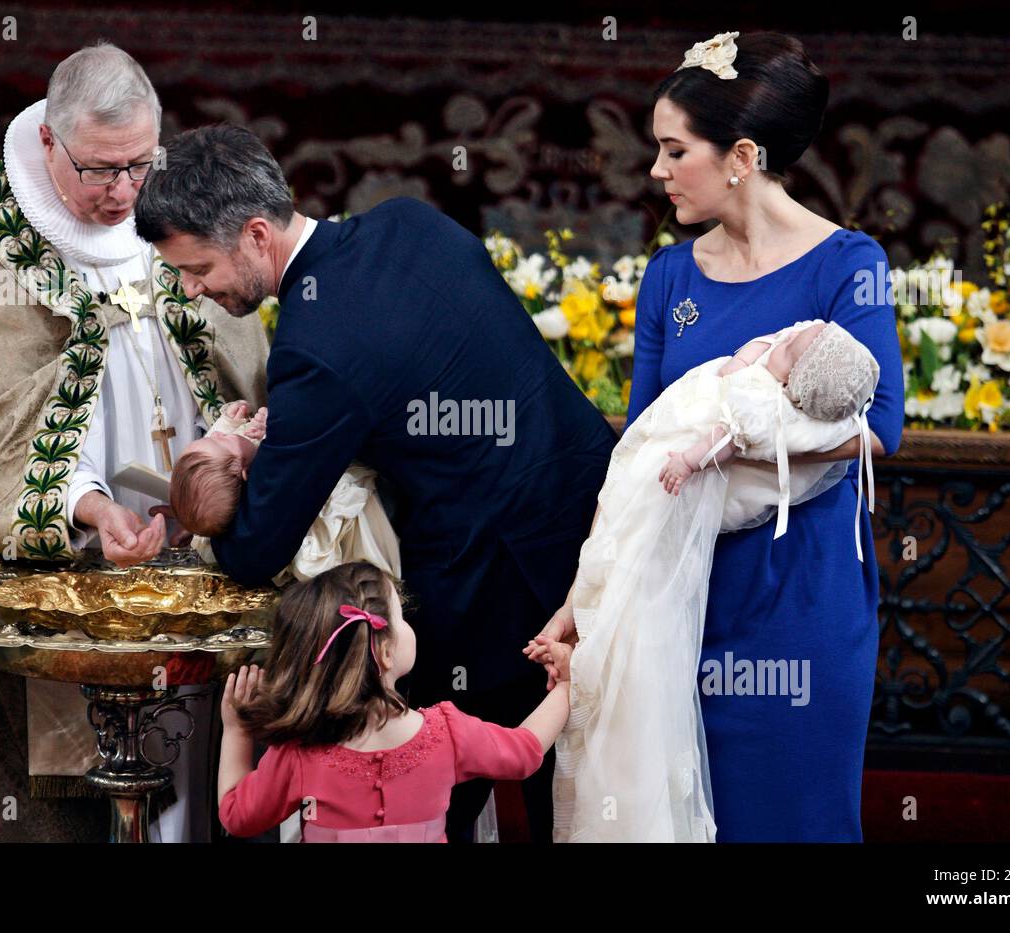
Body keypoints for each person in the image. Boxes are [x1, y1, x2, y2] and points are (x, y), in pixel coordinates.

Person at [135, 125, 617, 841]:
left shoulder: (318, 348)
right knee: (577, 790)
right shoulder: (409, 219)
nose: (192, 288)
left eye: (198, 266)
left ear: (257, 235)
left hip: (495, 586)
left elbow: (258, 545)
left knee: (431, 794)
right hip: (597, 530)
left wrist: (213, 476)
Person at [0, 43, 269, 842]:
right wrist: (81, 503)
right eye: (100, 170)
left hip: (189, 563)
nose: (123, 192)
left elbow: (234, 361)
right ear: (48, 140)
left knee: (188, 786)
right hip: (55, 579)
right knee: (53, 808)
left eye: (140, 166)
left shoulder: (175, 214)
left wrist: (222, 460)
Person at [532, 31, 904, 842]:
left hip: (798, 594)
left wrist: (741, 440)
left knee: (792, 816)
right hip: (677, 595)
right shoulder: (670, 275)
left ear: (740, 155)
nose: (657, 169)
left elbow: (881, 429)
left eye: (674, 149)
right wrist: (580, 603)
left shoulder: (849, 263)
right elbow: (638, 454)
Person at [529, 319, 881, 841]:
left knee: (639, 609)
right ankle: (586, 650)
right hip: (642, 483)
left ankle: (589, 665)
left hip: (691, 516)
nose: (786, 339)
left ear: (793, 382)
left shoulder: (765, 407)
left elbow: (732, 436)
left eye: (792, 351)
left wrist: (689, 460)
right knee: (623, 575)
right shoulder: (775, 348)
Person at [217, 562, 569, 842]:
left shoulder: (299, 753)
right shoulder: (447, 732)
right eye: (402, 616)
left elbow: (238, 817)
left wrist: (236, 732)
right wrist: (568, 685)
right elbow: (526, 751)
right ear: (386, 653)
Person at [172, 402, 402, 586]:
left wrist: (230, 422)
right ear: (245, 473)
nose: (219, 434)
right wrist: (275, 429)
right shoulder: (269, 472)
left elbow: (215, 453)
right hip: (351, 507)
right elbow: (299, 445)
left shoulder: (231, 472)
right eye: (224, 438)